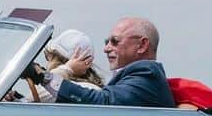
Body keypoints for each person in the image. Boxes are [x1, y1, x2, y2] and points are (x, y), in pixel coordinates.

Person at [31, 16, 176, 108]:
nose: (106, 49)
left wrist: (43, 76)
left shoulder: (146, 75)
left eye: (115, 41)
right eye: (107, 42)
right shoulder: (136, 78)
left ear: (142, 45)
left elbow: (103, 102)